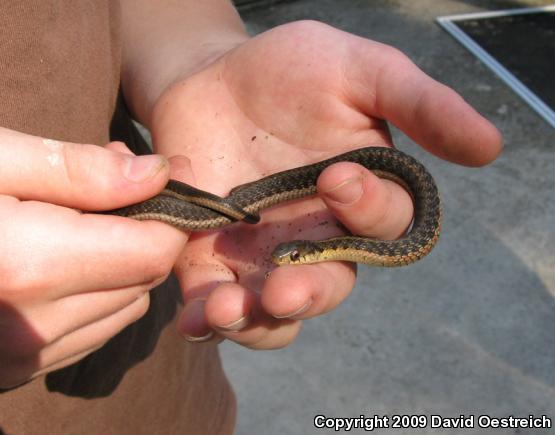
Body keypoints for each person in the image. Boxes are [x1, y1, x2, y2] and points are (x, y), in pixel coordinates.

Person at [0, 1, 502, 433]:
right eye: (297, 254)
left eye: (298, 253)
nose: (290, 257)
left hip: (168, 395)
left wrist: (198, 58)